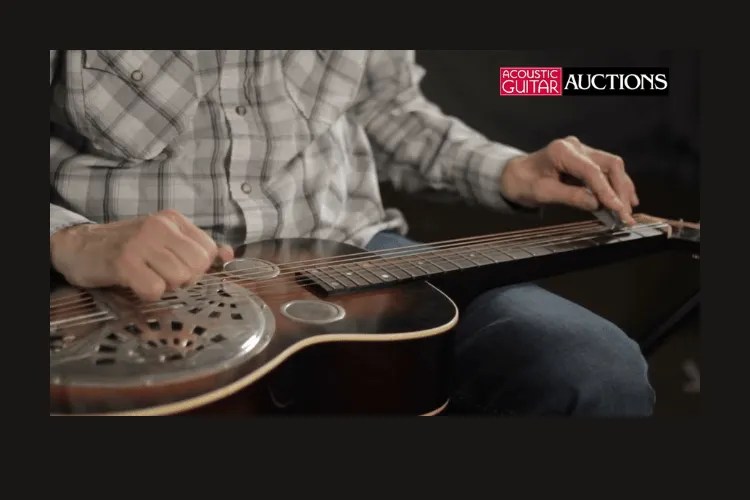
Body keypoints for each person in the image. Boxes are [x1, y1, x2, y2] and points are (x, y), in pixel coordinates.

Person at [49, 50, 653, 416]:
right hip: (125, 287)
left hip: (346, 247)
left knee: (592, 373)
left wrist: (506, 169)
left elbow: (385, 106)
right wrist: (71, 240)